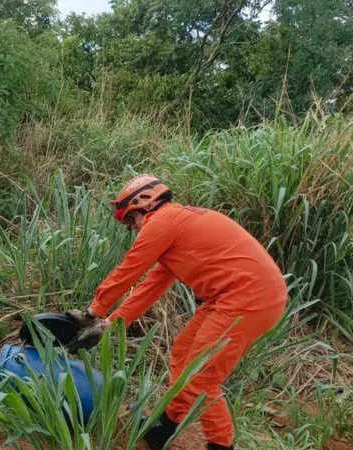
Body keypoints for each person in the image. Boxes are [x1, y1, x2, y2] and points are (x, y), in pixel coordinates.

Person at [65, 174, 287, 450]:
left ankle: (221, 445)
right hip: (235, 296)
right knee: (183, 353)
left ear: (142, 206)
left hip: (248, 298)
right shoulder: (177, 227)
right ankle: (165, 427)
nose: (133, 229)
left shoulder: (162, 223)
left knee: (201, 377)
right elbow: (149, 288)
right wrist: (108, 324)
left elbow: (127, 270)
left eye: (131, 222)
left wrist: (92, 311)